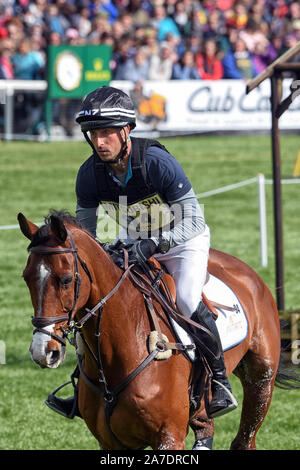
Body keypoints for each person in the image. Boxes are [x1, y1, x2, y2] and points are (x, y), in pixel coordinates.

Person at [46, 86, 237, 437]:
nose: (99, 142)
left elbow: (193, 221)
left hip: (183, 242)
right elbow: (88, 236)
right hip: (135, 244)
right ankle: (81, 389)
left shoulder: (156, 162)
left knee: (187, 299)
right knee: (94, 306)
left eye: (106, 133)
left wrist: (155, 244)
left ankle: (219, 382)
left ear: (126, 131)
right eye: (93, 134)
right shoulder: (89, 175)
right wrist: (109, 251)